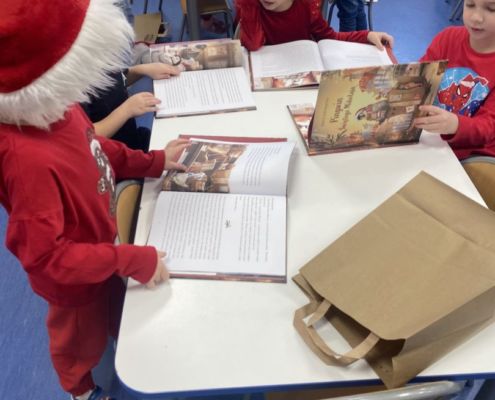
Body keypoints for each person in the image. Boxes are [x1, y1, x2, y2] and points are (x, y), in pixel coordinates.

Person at [0, 1, 190, 399]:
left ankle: (123, 347)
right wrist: (126, 259)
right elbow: (47, 258)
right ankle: (81, 390)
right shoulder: (26, 160)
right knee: (78, 346)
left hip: (102, 245)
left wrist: (154, 161)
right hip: (74, 285)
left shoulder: (59, 108)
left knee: (119, 311)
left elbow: (95, 146)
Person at [414, 0, 495, 160]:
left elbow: (488, 127)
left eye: (492, 9)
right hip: (430, 139)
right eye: (470, 5)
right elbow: (421, 77)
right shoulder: (448, 37)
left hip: (472, 154)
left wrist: (456, 124)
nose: (476, 17)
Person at [82, 63, 181, 152]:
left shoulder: (98, 61)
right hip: (115, 154)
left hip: (131, 138)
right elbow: (84, 136)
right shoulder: (75, 86)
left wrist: (141, 70)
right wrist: (126, 110)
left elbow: (119, 79)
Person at [235, 0, 393, 51]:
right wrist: (248, 5)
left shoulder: (306, 7)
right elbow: (253, 44)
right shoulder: (252, 6)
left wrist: (366, 35)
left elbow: (330, 37)